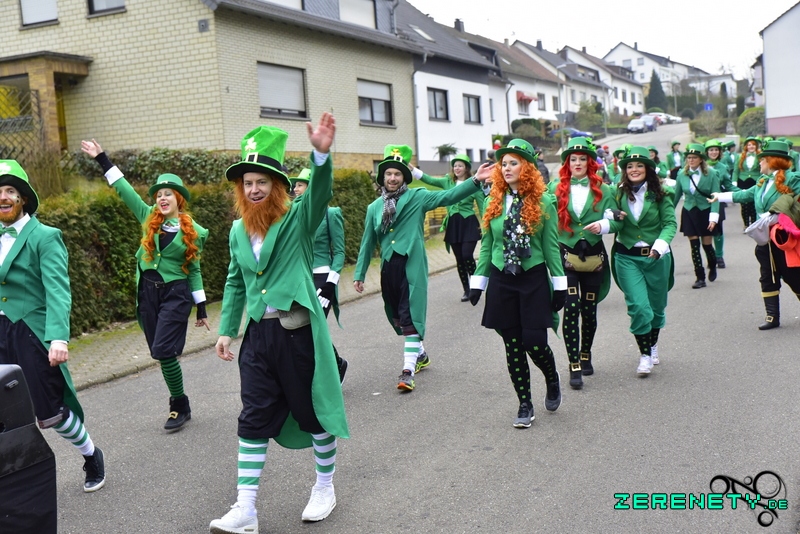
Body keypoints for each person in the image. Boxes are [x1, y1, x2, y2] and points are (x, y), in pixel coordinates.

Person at [211, 114, 349, 532]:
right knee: (253, 416)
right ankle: (246, 509)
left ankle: (324, 486)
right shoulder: (237, 230)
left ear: (278, 186)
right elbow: (236, 281)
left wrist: (320, 155)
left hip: (297, 333)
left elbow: (320, 194)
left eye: (261, 182)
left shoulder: (297, 220)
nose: (253, 190)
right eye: (247, 183)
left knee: (313, 413)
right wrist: (226, 329)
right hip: (258, 336)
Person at [81, 139, 209, 431]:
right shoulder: (149, 218)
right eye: (159, 194)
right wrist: (102, 158)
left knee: (163, 349)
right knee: (161, 353)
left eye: (168, 194)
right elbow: (124, 190)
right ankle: (181, 402)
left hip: (176, 294)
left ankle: (178, 406)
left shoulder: (195, 232)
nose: (162, 198)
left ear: (179, 198)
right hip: (147, 292)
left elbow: (194, 269)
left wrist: (201, 307)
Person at [0, 159, 106, 491]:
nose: (2, 197)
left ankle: (91, 454)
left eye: (10, 190)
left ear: (23, 198)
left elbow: (58, 290)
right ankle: (14, 478)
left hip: (30, 332)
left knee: (50, 411)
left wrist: (58, 337)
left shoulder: (45, 237)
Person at [353, 145, 489, 392]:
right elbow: (367, 242)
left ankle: (407, 371)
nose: (392, 178)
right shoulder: (374, 208)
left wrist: (475, 181)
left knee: (410, 314)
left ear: (404, 177)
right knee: (398, 316)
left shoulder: (418, 197)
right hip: (388, 268)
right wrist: (359, 274)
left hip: (411, 266)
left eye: (397, 173)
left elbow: (448, 197)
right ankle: (421, 354)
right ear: (382, 178)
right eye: (388, 174)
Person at [468, 139, 566, 428]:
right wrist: (478, 282)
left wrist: (559, 285)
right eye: (504, 164)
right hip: (502, 278)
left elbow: (550, 247)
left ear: (527, 168)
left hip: (532, 278)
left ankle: (551, 376)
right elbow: (488, 244)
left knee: (534, 343)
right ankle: (525, 404)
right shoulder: (492, 200)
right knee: (512, 345)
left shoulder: (544, 201)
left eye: (514, 163)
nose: (507, 168)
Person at [585, 146, 677, 376]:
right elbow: (614, 219)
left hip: (657, 257)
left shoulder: (661, 193)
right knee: (638, 307)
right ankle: (644, 355)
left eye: (639, 165)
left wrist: (660, 245)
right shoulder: (617, 193)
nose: (634, 169)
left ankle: (652, 344)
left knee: (656, 309)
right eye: (630, 166)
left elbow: (669, 224)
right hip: (627, 258)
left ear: (648, 169)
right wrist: (603, 224)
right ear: (624, 170)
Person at [548, 138, 620, 389]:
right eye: (573, 159)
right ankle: (574, 364)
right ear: (567, 163)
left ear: (590, 162)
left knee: (589, 311)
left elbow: (617, 220)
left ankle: (586, 353)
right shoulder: (555, 187)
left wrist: (604, 225)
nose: (577, 163)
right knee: (571, 307)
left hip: (594, 259)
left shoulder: (605, 189)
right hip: (565, 257)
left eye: (582, 159)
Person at [709, 140, 800, 331]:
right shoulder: (762, 182)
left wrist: (778, 214)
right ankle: (772, 316)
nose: (760, 162)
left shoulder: (793, 179)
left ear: (773, 161)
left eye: (763, 159)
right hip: (765, 238)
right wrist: (720, 196)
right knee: (767, 275)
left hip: (784, 238)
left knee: (792, 275)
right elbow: (744, 195)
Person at [291, 169, 348, 383]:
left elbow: (340, 252)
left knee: (314, 327)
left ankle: (332, 369)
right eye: (295, 185)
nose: (295, 189)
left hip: (323, 279)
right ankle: (335, 364)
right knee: (303, 329)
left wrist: (330, 284)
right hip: (300, 279)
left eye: (300, 185)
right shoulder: (293, 213)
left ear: (312, 188)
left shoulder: (330, 213)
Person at [416, 154, 485, 302]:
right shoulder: (447, 181)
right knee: (459, 259)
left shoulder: (474, 184)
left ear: (466, 168)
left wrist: (487, 228)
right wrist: (411, 168)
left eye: (460, 166)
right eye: (455, 166)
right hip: (454, 224)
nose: (457, 168)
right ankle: (466, 290)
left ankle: (476, 286)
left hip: (469, 223)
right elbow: (429, 180)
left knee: (467, 255)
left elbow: (483, 208)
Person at [672, 143, 721, 289]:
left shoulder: (712, 174)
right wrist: (667, 213)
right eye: (689, 157)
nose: (691, 160)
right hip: (689, 211)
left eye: (694, 157)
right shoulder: (682, 174)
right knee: (694, 246)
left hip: (705, 211)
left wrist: (713, 218)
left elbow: (715, 197)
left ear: (701, 159)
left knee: (707, 245)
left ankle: (712, 264)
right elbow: (676, 196)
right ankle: (700, 277)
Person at [705, 140, 740, 269]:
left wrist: (743, 193)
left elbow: (728, 185)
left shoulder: (722, 167)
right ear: (706, 152)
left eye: (716, 150)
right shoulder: (700, 165)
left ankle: (719, 256)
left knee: (718, 230)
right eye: (711, 150)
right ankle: (710, 257)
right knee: (704, 232)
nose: (714, 152)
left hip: (717, 201)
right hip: (702, 202)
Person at [732, 136, 762, 228]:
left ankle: (754, 224)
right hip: (743, 182)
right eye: (749, 145)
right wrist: (734, 182)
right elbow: (736, 170)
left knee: (754, 204)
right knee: (744, 205)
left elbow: (762, 170)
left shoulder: (760, 156)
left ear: (756, 146)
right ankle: (746, 224)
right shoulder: (740, 156)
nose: (751, 146)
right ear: (746, 146)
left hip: (755, 182)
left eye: (753, 144)